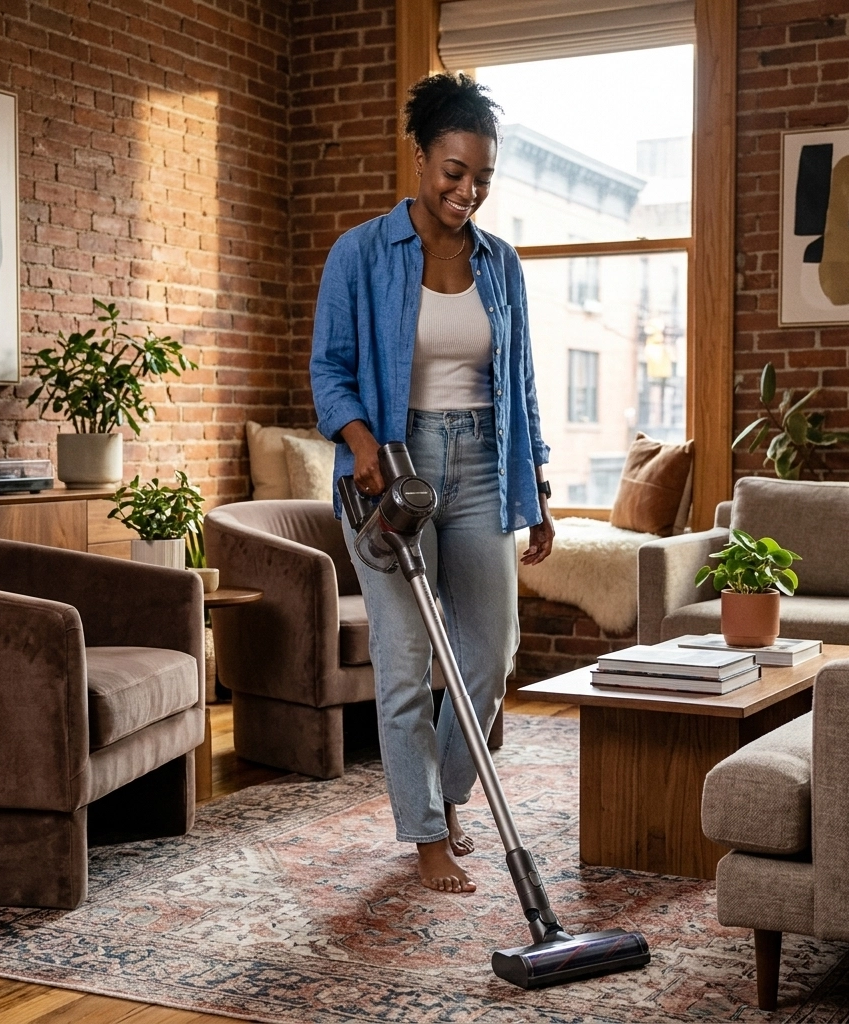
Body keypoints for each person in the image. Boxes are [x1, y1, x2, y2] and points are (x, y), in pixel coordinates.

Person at [310, 73, 554, 895]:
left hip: (486, 462)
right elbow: (329, 370)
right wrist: (360, 443)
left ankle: (447, 795)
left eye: (482, 177)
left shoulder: (500, 263)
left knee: (491, 652)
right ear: (419, 157)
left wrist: (537, 486)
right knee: (406, 660)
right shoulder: (359, 253)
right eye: (454, 171)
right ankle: (423, 835)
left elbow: (520, 384)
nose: (467, 190)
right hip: (393, 468)